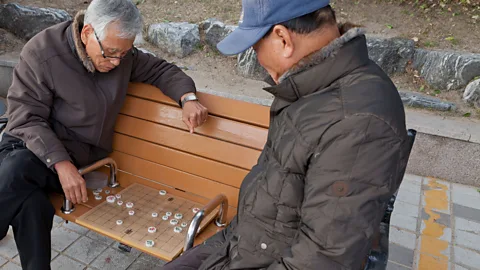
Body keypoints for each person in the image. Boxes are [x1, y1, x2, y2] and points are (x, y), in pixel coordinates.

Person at [161, 0, 412, 269]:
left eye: (256, 46)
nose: (257, 58)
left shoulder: (358, 123)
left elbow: (324, 259)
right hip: (240, 241)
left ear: (282, 38)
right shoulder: (311, 86)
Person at [0, 0, 207, 269]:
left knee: (25, 190)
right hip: (29, 144)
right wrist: (61, 165)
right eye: (110, 53)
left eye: (124, 52)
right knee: (26, 184)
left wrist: (187, 98)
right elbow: (26, 116)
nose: (116, 62)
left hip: (75, 156)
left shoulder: (123, 56)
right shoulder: (43, 52)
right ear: (87, 33)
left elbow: (161, 70)